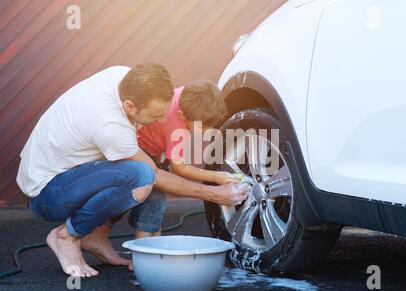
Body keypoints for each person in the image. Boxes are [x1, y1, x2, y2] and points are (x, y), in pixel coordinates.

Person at [16, 64, 248, 278]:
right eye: (156, 116)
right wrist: (214, 193)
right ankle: (67, 235)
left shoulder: (123, 77)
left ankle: (97, 237)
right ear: (129, 106)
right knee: (141, 177)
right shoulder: (110, 125)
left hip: (58, 173)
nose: (160, 121)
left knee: (140, 176)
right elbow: (154, 176)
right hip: (48, 195)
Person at [134, 80, 240, 239]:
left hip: (152, 149)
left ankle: (155, 248)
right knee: (154, 203)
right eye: (202, 128)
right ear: (182, 115)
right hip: (140, 151)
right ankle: (140, 257)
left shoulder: (189, 97)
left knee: (154, 206)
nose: (207, 133)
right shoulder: (175, 126)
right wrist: (216, 176)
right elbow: (178, 168)